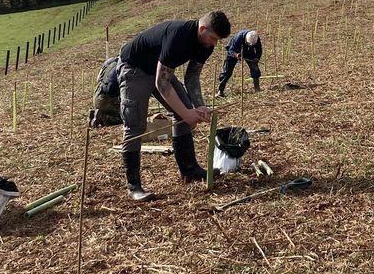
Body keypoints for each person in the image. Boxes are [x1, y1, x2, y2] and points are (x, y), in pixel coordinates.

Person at [117, 11, 230, 201]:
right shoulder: (178, 36)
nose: (214, 44)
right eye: (212, 38)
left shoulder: (206, 44)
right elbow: (162, 84)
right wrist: (186, 113)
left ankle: (189, 169)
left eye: (217, 40)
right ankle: (134, 186)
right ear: (202, 29)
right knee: (135, 126)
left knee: (183, 111)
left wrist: (198, 106)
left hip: (160, 71)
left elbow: (192, 76)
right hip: (134, 68)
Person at [218, 29, 263, 97]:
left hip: (248, 52)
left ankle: (257, 88)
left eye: (252, 45)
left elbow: (259, 50)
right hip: (235, 51)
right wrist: (236, 55)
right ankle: (220, 91)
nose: (250, 45)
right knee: (226, 71)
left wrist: (257, 58)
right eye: (248, 44)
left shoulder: (256, 38)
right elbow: (231, 50)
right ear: (245, 40)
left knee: (255, 67)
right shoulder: (238, 38)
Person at [88, 55, 121, 127]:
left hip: (97, 93)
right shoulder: (121, 66)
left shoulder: (109, 61)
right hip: (106, 99)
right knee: (125, 117)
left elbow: (98, 79)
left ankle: (96, 113)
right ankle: (102, 117)